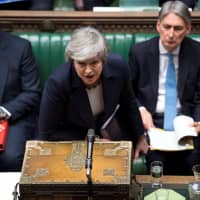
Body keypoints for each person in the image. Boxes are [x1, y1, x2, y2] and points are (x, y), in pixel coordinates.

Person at [38, 26, 148, 160]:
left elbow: (129, 102)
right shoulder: (57, 83)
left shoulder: (119, 67)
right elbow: (46, 133)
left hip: (110, 129)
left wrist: (140, 136)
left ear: (103, 59)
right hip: (75, 136)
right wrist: (92, 141)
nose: (88, 70)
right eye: (82, 64)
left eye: (94, 63)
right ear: (73, 60)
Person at [129, 0, 200, 175]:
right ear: (158, 26)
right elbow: (127, 93)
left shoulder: (197, 52)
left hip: (186, 124)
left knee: (194, 162)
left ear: (188, 29)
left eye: (177, 28)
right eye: (167, 27)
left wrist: (198, 122)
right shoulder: (140, 52)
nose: (171, 34)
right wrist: (140, 109)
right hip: (153, 124)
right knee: (157, 162)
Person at [0, 31, 41, 171]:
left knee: (10, 158)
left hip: (11, 116)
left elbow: (31, 93)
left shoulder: (20, 47)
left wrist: (2, 112)